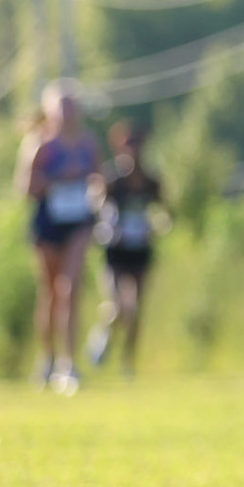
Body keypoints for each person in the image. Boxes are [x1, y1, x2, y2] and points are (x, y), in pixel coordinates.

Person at [17, 81, 104, 392]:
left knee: (71, 289)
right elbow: (25, 188)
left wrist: (95, 190)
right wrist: (57, 180)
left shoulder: (88, 143)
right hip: (48, 222)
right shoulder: (40, 145)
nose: (67, 113)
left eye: (72, 106)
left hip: (79, 221)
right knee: (51, 293)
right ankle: (48, 359)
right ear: (51, 111)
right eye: (62, 107)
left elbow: (99, 179)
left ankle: (69, 363)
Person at [87, 119, 168, 374]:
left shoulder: (151, 180)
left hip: (140, 248)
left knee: (136, 309)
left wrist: (159, 226)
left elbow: (164, 211)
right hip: (116, 249)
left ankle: (128, 361)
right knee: (118, 306)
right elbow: (96, 207)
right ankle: (104, 334)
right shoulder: (112, 180)